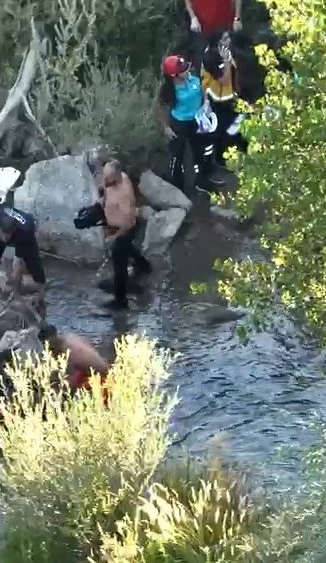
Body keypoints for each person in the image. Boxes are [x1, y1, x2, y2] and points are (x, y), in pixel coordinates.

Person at [98, 161, 153, 310]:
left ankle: (120, 300)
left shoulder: (124, 193)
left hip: (123, 230)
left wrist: (113, 237)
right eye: (104, 176)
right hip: (113, 226)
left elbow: (128, 223)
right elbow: (106, 191)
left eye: (108, 178)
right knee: (128, 249)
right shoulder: (116, 179)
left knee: (119, 261)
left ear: (117, 176)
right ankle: (143, 265)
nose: (105, 180)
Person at [156, 54, 214, 194]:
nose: (187, 70)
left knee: (202, 151)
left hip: (197, 122)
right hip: (179, 125)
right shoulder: (168, 91)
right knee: (177, 157)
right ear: (174, 75)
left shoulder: (192, 79)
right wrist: (166, 128)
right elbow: (160, 108)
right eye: (182, 69)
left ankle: (202, 181)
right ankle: (177, 186)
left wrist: (206, 102)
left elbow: (203, 90)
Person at [201, 36, 249, 171]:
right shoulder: (210, 58)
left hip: (232, 97)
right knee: (222, 132)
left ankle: (242, 150)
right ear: (219, 43)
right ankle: (221, 159)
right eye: (226, 38)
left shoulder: (226, 51)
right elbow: (224, 80)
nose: (229, 39)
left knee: (238, 124)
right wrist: (227, 61)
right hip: (220, 100)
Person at [0, 204, 46, 293]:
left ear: (13, 231)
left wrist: (15, 286)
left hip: (25, 233)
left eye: (7, 237)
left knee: (33, 265)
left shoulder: (24, 232)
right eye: (3, 235)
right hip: (0, 233)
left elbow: (18, 263)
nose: (4, 239)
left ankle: (36, 293)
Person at [39, 324, 110, 390]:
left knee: (63, 386)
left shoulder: (70, 352)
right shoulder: (69, 337)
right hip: (98, 368)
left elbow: (69, 380)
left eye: (50, 348)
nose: (47, 350)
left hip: (101, 377)